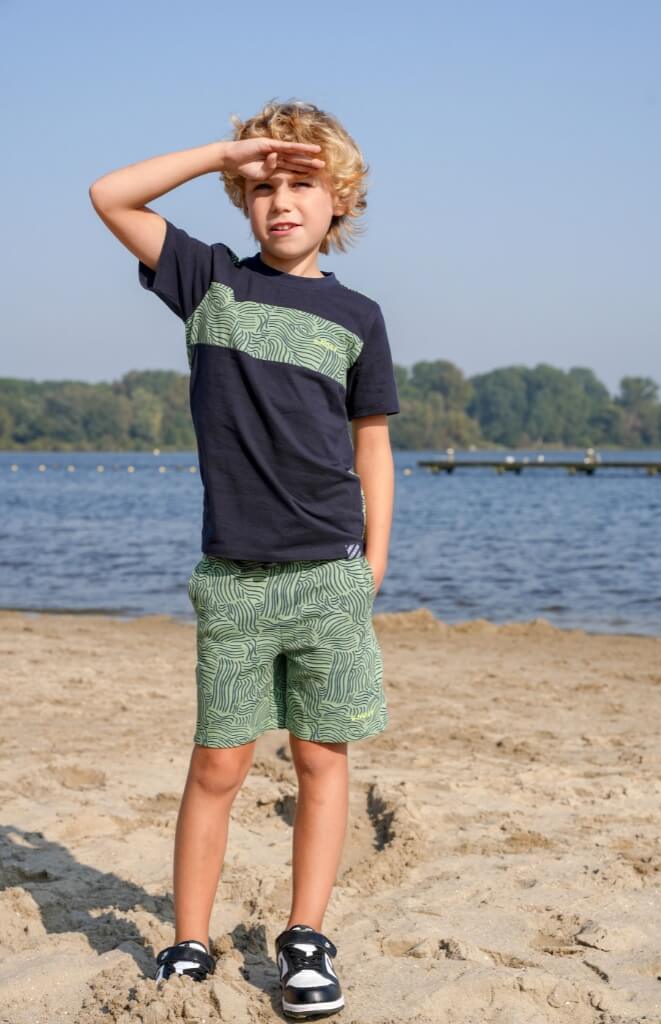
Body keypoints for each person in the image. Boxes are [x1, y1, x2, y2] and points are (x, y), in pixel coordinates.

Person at [89, 98, 400, 1020]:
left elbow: (371, 443)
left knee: (319, 759)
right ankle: (189, 942)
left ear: (338, 201)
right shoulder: (208, 282)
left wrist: (374, 561)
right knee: (218, 766)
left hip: (330, 577)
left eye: (303, 184)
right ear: (241, 198)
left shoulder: (358, 315)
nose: (282, 201)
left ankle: (307, 937)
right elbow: (111, 195)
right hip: (233, 579)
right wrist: (229, 150)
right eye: (262, 187)